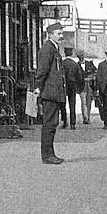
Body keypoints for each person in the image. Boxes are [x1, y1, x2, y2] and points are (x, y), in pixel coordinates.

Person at [33, 23, 66, 164]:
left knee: (52, 124)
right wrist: (38, 88)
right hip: (50, 93)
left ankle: (50, 154)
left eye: (61, 33)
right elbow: (42, 71)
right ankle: (47, 156)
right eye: (58, 33)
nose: (61, 36)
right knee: (49, 125)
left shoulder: (53, 48)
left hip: (54, 92)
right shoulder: (48, 49)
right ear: (50, 34)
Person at [60, 46, 84, 130]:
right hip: (73, 86)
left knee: (63, 104)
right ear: (71, 53)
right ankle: (73, 123)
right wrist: (79, 87)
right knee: (72, 104)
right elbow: (80, 77)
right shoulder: (75, 64)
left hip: (63, 85)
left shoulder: (61, 63)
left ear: (65, 53)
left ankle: (64, 121)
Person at [78, 50, 97, 124]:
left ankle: (88, 117)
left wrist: (91, 77)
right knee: (83, 102)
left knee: (89, 102)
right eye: (80, 56)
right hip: (82, 86)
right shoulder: (77, 65)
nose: (81, 57)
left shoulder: (89, 64)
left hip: (89, 86)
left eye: (82, 55)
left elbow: (95, 72)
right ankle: (85, 118)